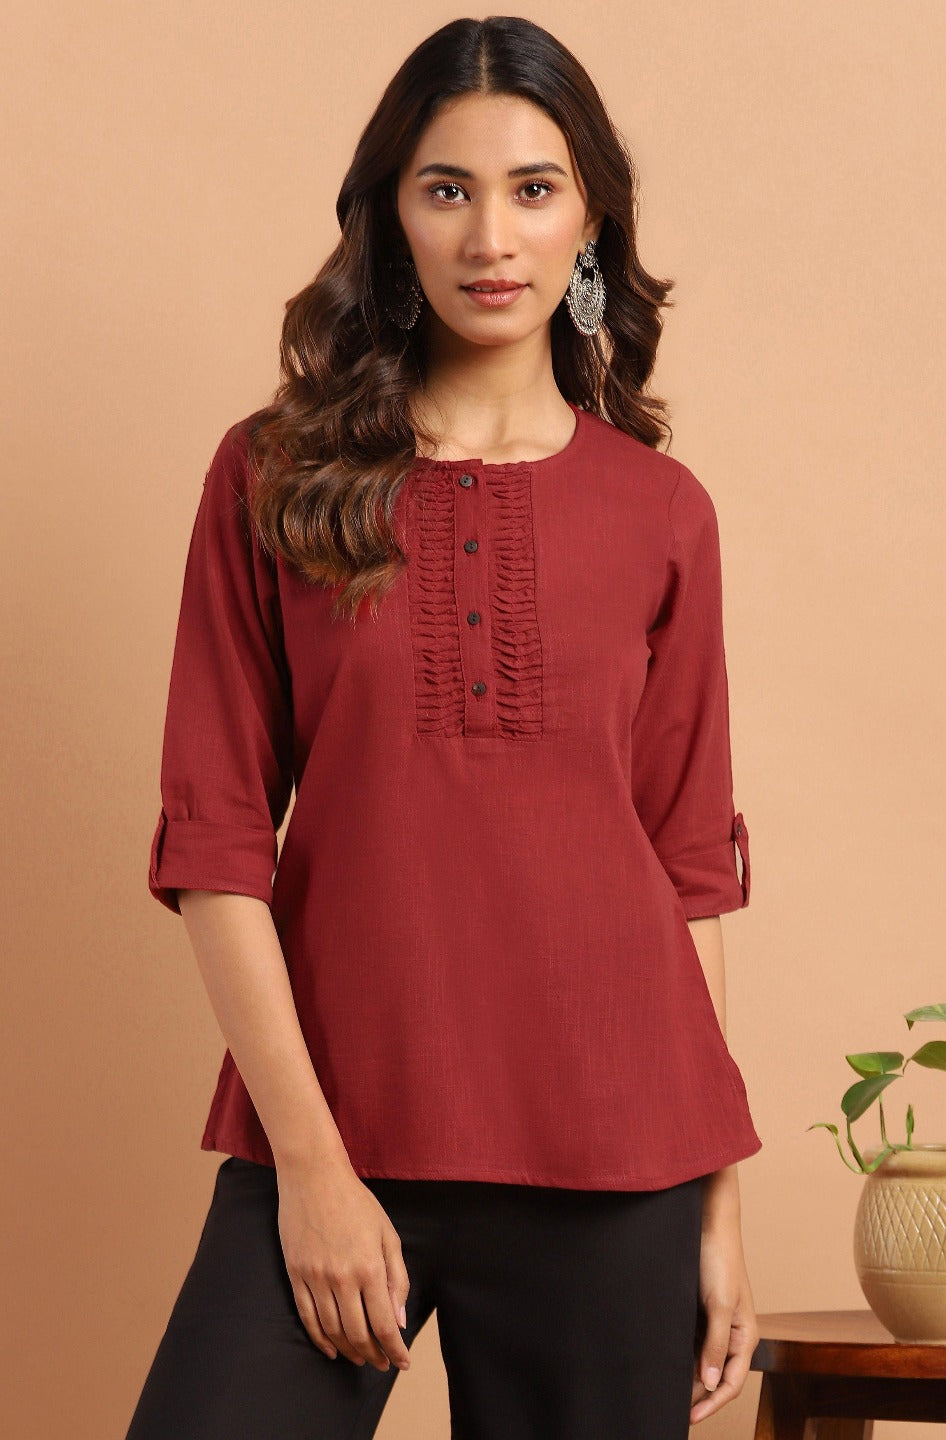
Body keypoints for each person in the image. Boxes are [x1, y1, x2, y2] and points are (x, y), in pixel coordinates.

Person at [125, 16, 763, 1440]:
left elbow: (686, 877)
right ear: (390, 217)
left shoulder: (661, 513)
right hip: (339, 1124)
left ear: (590, 218)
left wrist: (718, 1206)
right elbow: (215, 843)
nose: (491, 237)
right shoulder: (273, 476)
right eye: (446, 189)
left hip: (619, 1157)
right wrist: (310, 1168)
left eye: (533, 189)